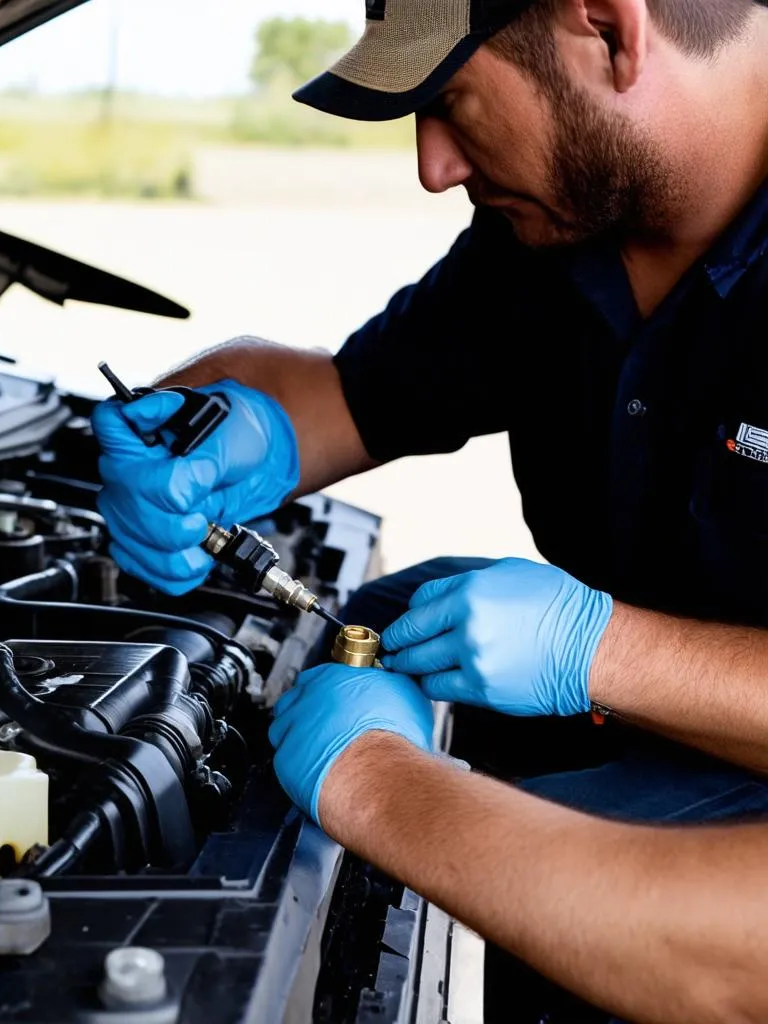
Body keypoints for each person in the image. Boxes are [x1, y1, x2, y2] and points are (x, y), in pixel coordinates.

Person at [91, 0, 768, 1018]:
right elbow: (346, 396)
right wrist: (218, 426)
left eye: (451, 99)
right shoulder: (554, 233)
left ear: (611, 29)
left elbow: (735, 961)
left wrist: (388, 777)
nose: (433, 165)